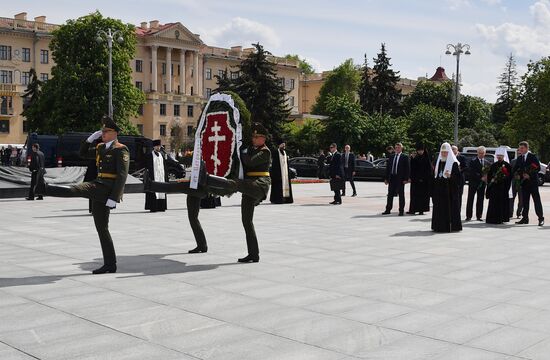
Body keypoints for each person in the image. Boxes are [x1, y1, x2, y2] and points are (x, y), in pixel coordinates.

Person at [35, 116, 130, 274]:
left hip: (105, 188)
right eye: (102, 131)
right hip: (99, 185)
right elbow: (83, 154)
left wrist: (114, 198)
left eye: (106, 131)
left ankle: (43, 188)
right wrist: (89, 139)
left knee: (77, 189)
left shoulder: (121, 149)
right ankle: (110, 264)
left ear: (115, 133)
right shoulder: (100, 147)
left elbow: (122, 176)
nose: (103, 134)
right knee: (102, 228)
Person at [432, 143, 462, 232]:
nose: (444, 154)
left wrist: (450, 176)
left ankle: (449, 226)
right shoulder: (439, 162)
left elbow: (458, 178)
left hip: (449, 191)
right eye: (442, 152)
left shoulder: (454, 163)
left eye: (446, 152)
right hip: (440, 190)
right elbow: (436, 175)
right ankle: (438, 226)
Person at [513, 141, 544, 226]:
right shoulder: (519, 158)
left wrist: (529, 175)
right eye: (519, 148)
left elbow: (538, 168)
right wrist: (516, 175)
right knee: (525, 202)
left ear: (527, 148)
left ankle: (541, 218)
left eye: (522, 148)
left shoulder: (533, 156)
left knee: (536, 201)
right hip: (524, 184)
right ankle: (525, 218)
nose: (520, 150)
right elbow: (516, 169)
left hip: (533, 183)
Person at [486, 147, 512, 224]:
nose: (499, 157)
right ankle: (492, 218)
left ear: (503, 156)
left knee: (502, 203)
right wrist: (491, 180)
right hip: (494, 188)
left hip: (503, 188)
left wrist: (504, 180)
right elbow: (489, 175)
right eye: (498, 155)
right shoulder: (493, 165)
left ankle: (502, 218)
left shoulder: (507, 165)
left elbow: (509, 176)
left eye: (501, 155)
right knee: (493, 203)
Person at [383, 142, 409, 216]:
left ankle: (401, 210)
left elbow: (407, 169)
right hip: (392, 177)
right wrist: (386, 178)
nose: (397, 149)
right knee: (390, 194)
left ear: (401, 148)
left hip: (400, 178)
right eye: (396, 147)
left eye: (398, 147)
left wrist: (406, 179)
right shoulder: (391, 156)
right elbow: (388, 168)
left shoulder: (405, 157)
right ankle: (388, 209)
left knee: (401, 195)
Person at [407, 143, 432, 215]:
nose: (420, 152)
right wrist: (412, 158)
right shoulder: (416, 157)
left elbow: (428, 170)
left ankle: (421, 210)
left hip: (424, 182)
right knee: (414, 195)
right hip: (415, 180)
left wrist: (423, 178)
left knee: (422, 196)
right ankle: (413, 209)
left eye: (421, 150)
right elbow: (412, 168)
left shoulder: (426, 158)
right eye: (419, 150)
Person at [145, 139, 168, 212]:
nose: (159, 148)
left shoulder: (162, 155)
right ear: (154, 147)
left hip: (161, 176)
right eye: (157, 146)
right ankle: (153, 207)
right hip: (153, 176)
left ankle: (161, 207)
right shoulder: (149, 155)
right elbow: (147, 166)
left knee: (161, 192)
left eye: (159, 146)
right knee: (154, 192)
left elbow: (164, 166)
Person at [451, 145, 467, 213]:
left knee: (459, 196)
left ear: (457, 150)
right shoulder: (449, 158)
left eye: (454, 149)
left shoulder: (462, 157)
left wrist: (459, 171)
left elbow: (465, 167)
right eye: (452, 149)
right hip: (451, 179)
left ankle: (458, 211)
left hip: (460, 179)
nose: (453, 150)